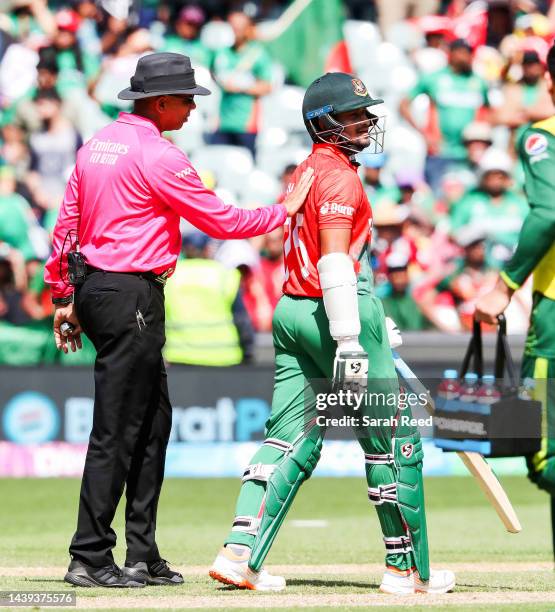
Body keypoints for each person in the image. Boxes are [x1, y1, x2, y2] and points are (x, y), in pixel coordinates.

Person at [43, 52, 313, 589]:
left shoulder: (96, 146)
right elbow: (221, 220)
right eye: (187, 99)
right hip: (132, 295)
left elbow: (68, 224)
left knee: (151, 424)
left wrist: (64, 294)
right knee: (118, 430)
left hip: (102, 288)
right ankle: (90, 555)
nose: (192, 109)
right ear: (160, 102)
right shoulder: (158, 156)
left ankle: (141, 553)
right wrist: (284, 211)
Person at [209, 72, 454, 595]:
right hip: (332, 309)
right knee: (391, 439)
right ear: (323, 122)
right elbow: (337, 261)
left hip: (293, 312)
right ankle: (407, 571)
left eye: (366, 113)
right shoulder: (341, 176)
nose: (366, 121)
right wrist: (350, 335)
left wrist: (369, 315)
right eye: (353, 114)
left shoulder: (308, 169)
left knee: (291, 437)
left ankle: (238, 554)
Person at [476, 43, 555, 560]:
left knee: (543, 452)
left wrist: (504, 283)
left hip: (553, 310)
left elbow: (548, 212)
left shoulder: (542, 136)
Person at [400, 39, 491, 195]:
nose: (465, 56)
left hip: (467, 154)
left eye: (468, 53)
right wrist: (423, 134)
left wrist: (480, 139)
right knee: (438, 199)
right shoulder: (434, 78)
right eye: (461, 52)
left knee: (467, 198)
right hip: (440, 152)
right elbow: (403, 105)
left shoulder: (478, 82)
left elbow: (489, 111)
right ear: (451, 54)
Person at [164, 232, 253, 366]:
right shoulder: (226, 275)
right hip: (224, 357)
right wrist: (248, 352)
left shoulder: (170, 277)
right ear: (207, 249)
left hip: (180, 357)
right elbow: (241, 319)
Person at [211, 9, 272, 158]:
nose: (236, 31)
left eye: (240, 27)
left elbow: (267, 86)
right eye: (233, 26)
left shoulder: (257, 54)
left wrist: (241, 87)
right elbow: (212, 72)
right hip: (222, 122)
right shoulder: (221, 53)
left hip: (245, 124)